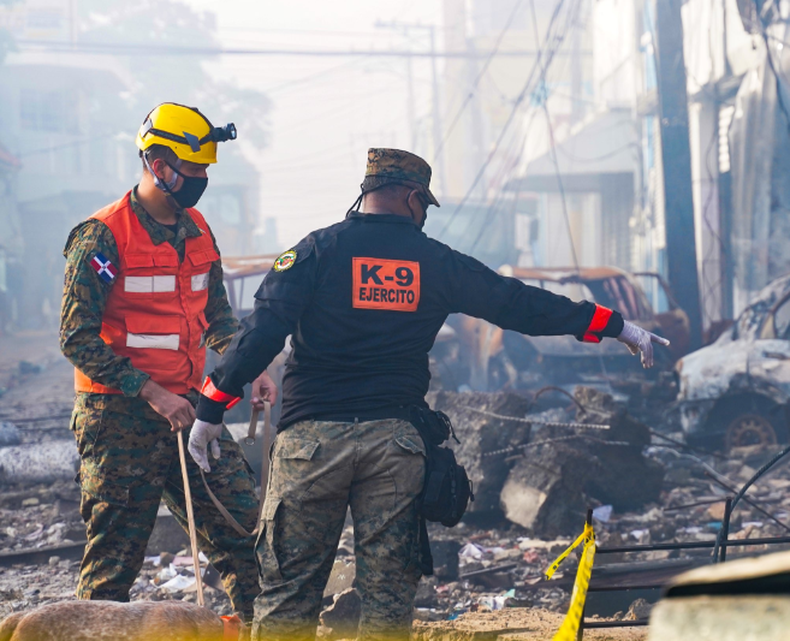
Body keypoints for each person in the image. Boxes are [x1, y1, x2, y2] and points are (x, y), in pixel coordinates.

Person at [188, 148, 669, 641]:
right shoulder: (434, 262)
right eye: (424, 205)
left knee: (288, 595)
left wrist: (210, 410)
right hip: (395, 446)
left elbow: (261, 334)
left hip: (313, 443)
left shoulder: (315, 251)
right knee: (388, 601)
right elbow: (521, 305)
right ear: (413, 198)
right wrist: (613, 325)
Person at [59, 102, 276, 626]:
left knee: (247, 536)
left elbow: (218, 314)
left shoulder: (199, 228)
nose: (202, 179)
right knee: (113, 566)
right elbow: (76, 337)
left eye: (206, 170)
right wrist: (151, 392)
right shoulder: (101, 236)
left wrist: (252, 364)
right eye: (194, 169)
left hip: (193, 414)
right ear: (158, 164)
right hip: (119, 419)